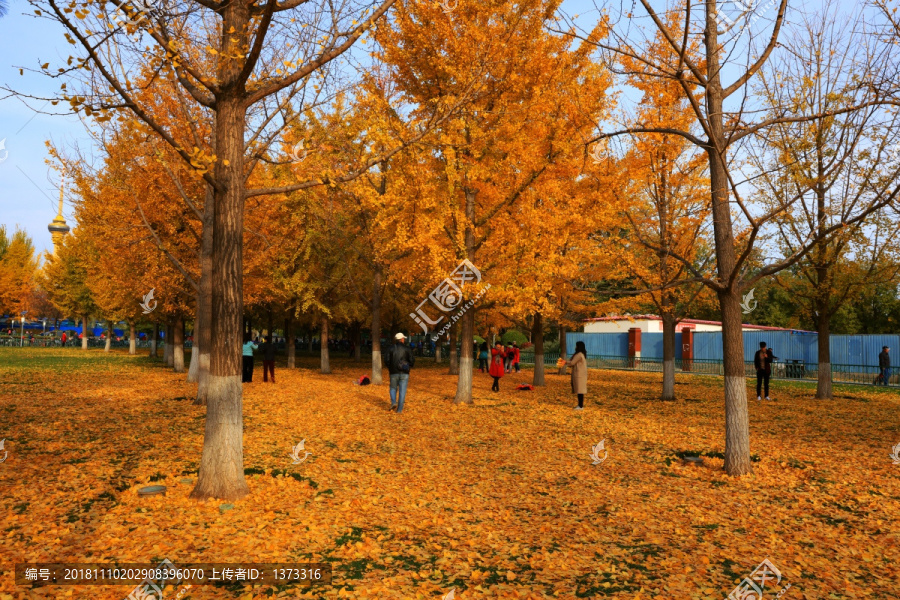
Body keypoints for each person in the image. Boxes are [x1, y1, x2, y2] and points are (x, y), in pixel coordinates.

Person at [385, 332, 415, 413]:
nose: (404, 340)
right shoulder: (407, 349)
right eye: (403, 338)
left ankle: (394, 402)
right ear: (402, 339)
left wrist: (390, 367)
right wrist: (409, 366)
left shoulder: (390, 348)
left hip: (393, 372)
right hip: (404, 373)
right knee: (402, 391)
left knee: (393, 388)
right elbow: (412, 360)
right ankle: (399, 410)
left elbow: (386, 360)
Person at [565, 341, 588, 410]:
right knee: (580, 391)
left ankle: (580, 406)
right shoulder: (581, 354)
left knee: (580, 391)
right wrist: (566, 362)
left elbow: (572, 363)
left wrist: (565, 362)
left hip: (579, 375)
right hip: (580, 375)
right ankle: (580, 405)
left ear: (579, 347)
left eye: (576, 346)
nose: (575, 347)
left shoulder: (579, 355)